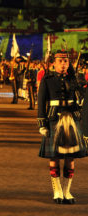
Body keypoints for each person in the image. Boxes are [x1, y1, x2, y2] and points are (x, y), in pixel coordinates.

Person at [38, 50, 87, 204]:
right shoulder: (47, 79)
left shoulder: (74, 79)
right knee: (55, 157)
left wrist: (79, 88)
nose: (63, 64)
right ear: (54, 63)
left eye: (66, 61)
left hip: (71, 119)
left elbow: (82, 98)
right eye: (60, 61)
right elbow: (41, 104)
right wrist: (42, 124)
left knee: (70, 158)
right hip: (54, 120)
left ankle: (67, 190)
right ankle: (57, 190)